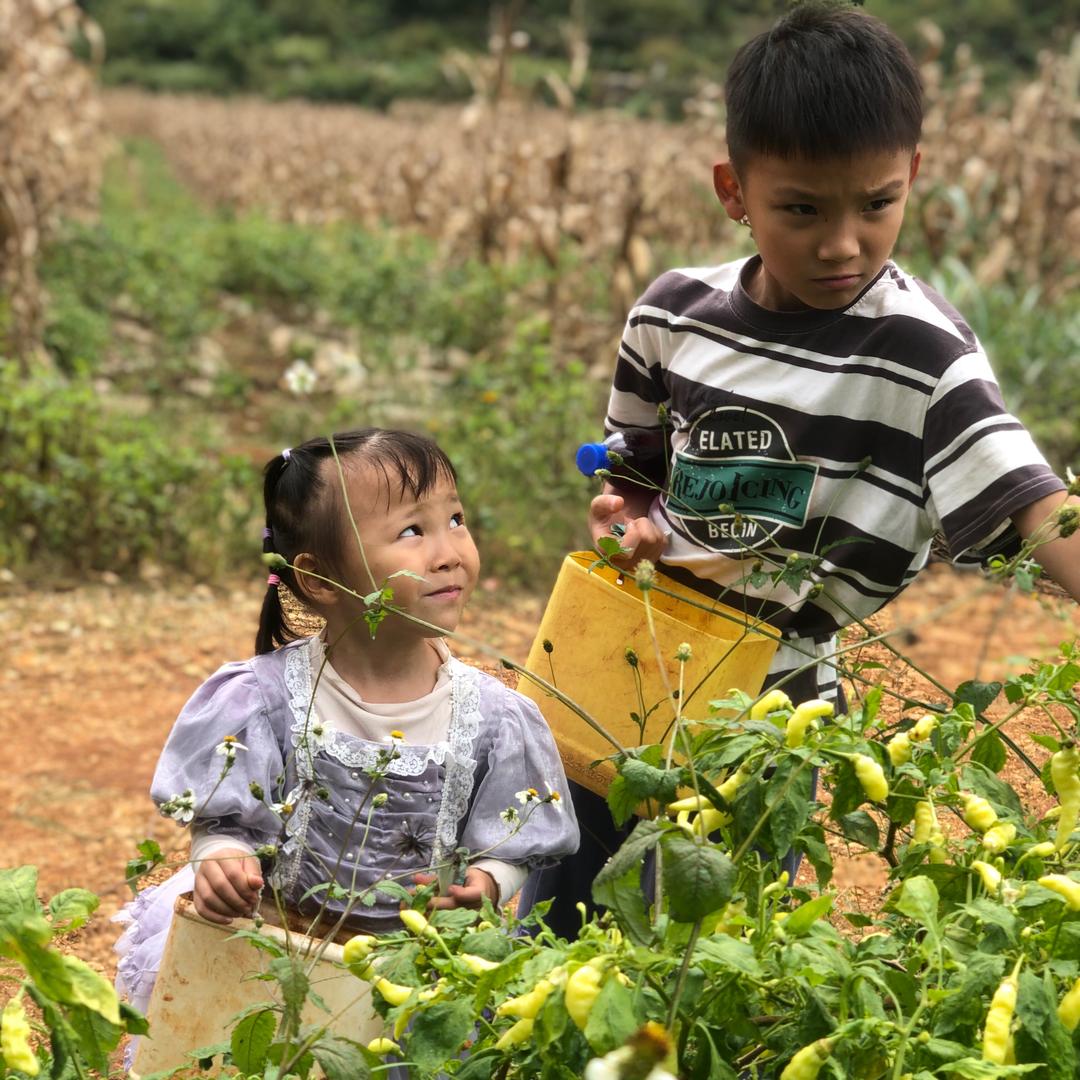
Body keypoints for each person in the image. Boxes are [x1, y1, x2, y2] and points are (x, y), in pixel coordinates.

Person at [518, 1, 1080, 938]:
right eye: (802, 209)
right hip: (618, 659)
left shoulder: (922, 356)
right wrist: (629, 516)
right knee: (555, 919)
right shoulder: (672, 317)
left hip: (770, 710)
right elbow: (632, 466)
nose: (843, 244)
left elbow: (1034, 506)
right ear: (733, 190)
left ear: (913, 177)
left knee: (714, 948)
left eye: (877, 205)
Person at [116, 428, 579, 1011]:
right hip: (270, 954)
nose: (449, 553)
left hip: (413, 972)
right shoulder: (266, 700)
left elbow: (515, 841)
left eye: (455, 519)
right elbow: (224, 818)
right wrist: (221, 856)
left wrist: (487, 883)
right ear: (317, 579)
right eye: (412, 531)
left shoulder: (494, 717)